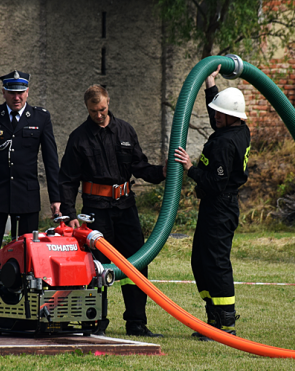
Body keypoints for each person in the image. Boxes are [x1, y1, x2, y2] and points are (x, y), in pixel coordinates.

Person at [59, 85, 166, 337]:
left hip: (126, 208)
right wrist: (70, 214)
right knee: (97, 267)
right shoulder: (79, 138)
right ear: (87, 108)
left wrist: (161, 172)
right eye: (94, 110)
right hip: (96, 212)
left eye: (103, 109)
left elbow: (139, 166)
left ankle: (136, 322)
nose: (99, 114)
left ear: (108, 102)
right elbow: (67, 180)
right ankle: (96, 322)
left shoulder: (126, 130)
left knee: (136, 264)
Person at [0, 71, 61, 324]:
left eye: (21, 92)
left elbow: (51, 161)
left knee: (27, 254)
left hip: (26, 196)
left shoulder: (40, 117)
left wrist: (56, 198)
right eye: (11, 92)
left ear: (27, 92)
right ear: (3, 92)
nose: (16, 97)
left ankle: (25, 307)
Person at [173, 67, 250, 338]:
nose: (215, 117)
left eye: (220, 114)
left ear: (230, 118)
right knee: (201, 261)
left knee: (215, 263)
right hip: (216, 207)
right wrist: (210, 84)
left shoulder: (225, 145)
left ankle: (226, 322)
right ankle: (213, 319)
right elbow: (217, 113)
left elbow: (214, 183)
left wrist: (191, 168)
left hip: (220, 206)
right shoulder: (237, 129)